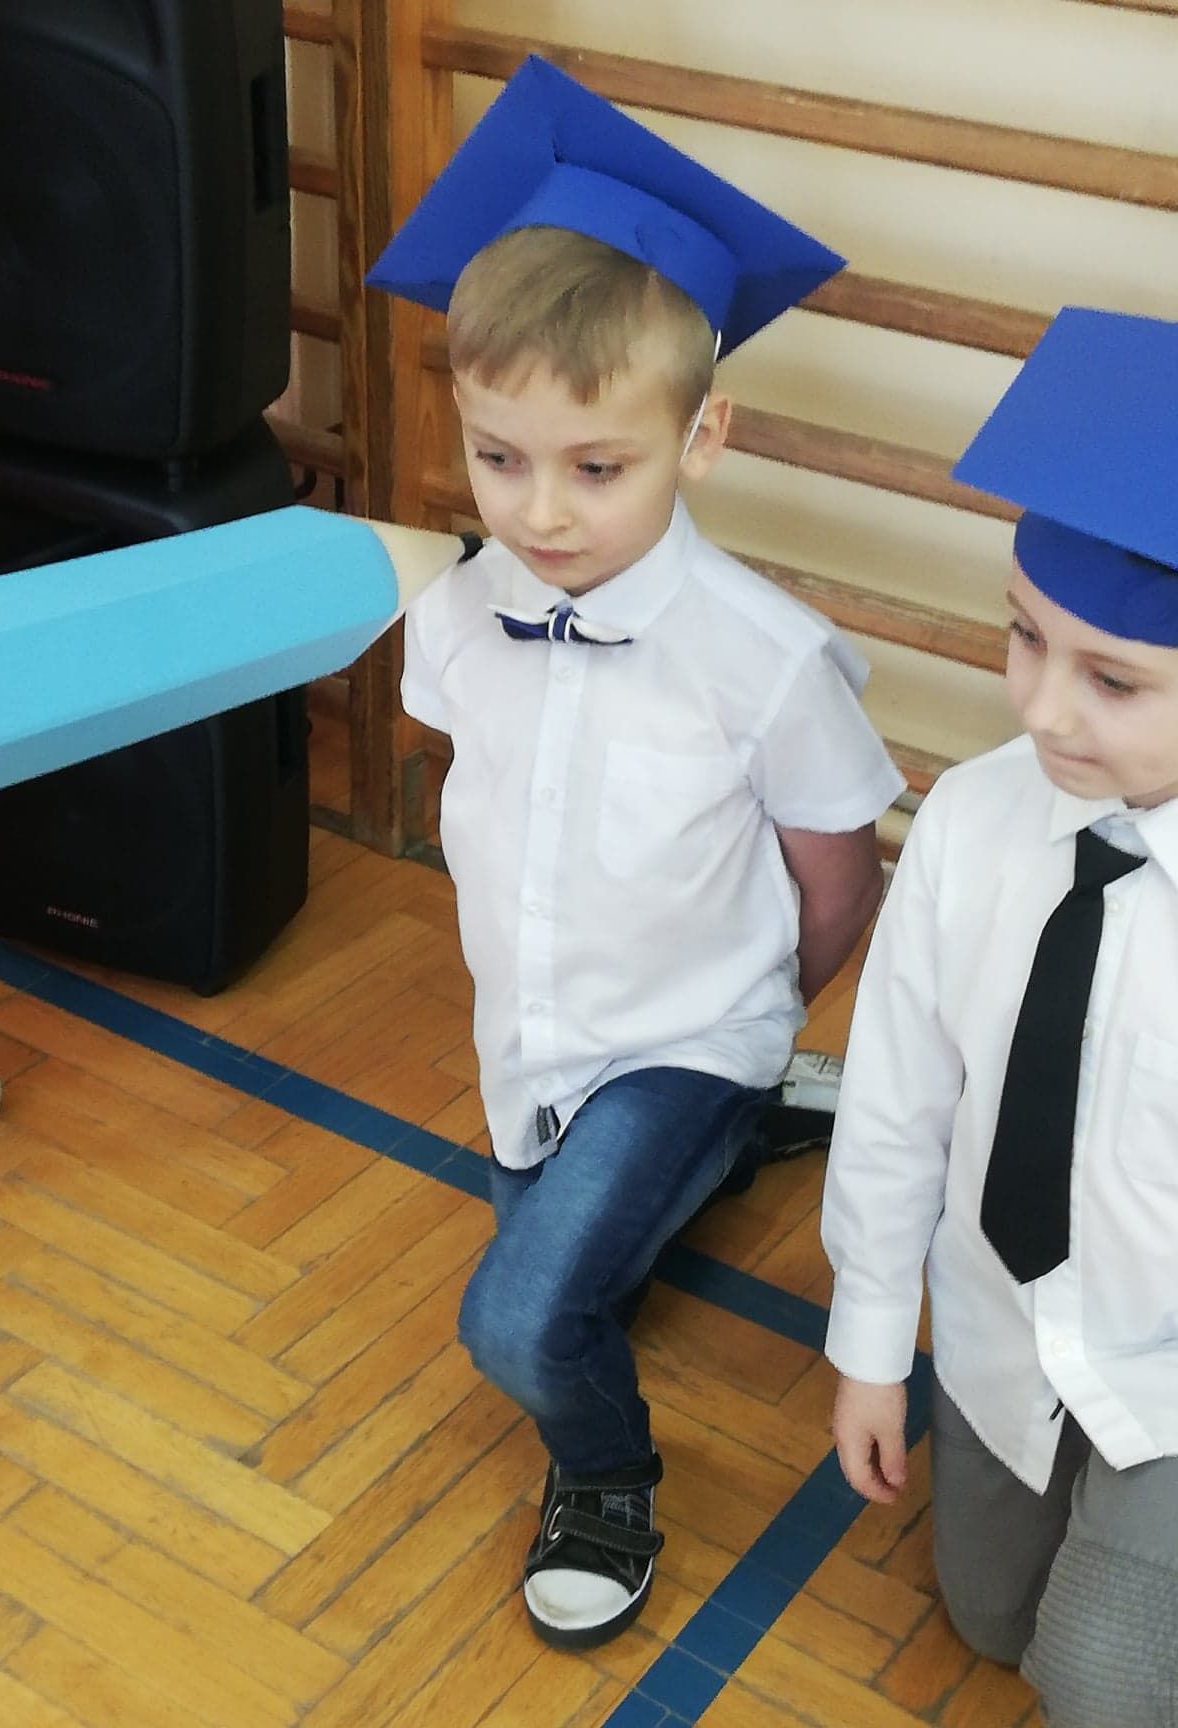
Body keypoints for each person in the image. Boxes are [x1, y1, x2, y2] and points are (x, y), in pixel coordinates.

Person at [368, 55, 905, 1650]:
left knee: (523, 1317)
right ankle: (738, 1138)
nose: (541, 510)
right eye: (499, 456)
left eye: (596, 467)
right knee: (580, 1255)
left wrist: (755, 1018)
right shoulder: (457, 616)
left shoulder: (766, 660)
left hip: (688, 1029)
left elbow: (839, 874)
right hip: (531, 1035)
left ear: (703, 433)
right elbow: (491, 794)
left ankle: (606, 1476)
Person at [822, 306, 1178, 1727]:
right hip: (1002, 1328)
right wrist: (869, 1345)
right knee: (988, 1621)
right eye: (1026, 637)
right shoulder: (973, 824)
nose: (1040, 710)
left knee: (1099, 1680)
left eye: (1114, 680)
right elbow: (896, 1098)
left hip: (1172, 1366)